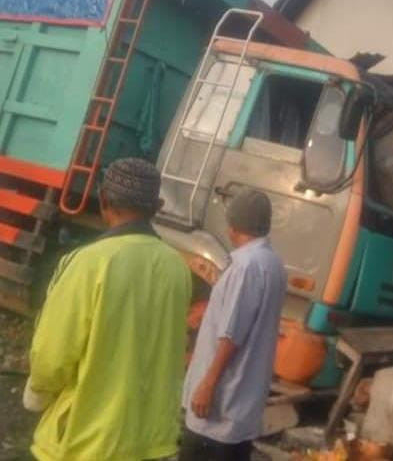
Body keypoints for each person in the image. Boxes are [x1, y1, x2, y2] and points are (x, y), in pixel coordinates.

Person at [26, 158, 191, 461]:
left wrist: (37, 393)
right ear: (158, 206)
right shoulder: (177, 267)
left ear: (104, 200)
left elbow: (52, 356)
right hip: (154, 441)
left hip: (88, 444)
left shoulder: (89, 262)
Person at [180, 187, 287, 461]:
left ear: (234, 224)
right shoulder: (272, 263)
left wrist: (207, 384)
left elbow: (231, 334)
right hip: (241, 407)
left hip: (219, 407)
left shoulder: (245, 267)